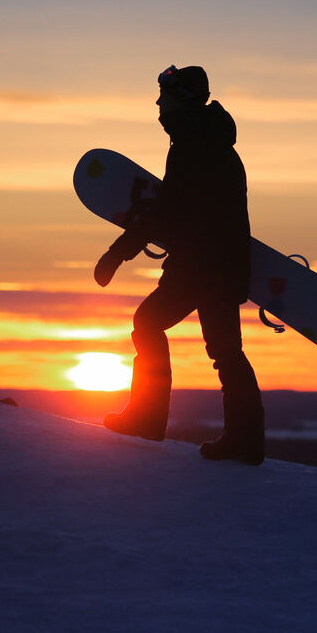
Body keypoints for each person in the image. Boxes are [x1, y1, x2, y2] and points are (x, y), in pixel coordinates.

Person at [94, 65, 265, 465]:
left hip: (207, 269)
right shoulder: (204, 142)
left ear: (182, 100)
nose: (157, 103)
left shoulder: (196, 148)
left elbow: (165, 213)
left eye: (164, 96)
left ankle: (152, 418)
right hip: (212, 267)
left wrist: (118, 253)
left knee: (161, 327)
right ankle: (240, 438)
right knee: (217, 348)